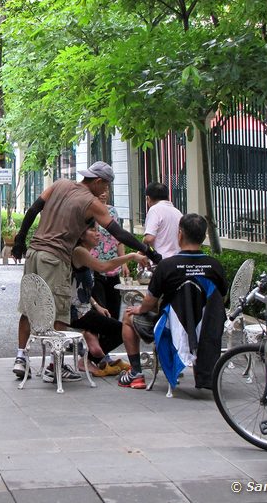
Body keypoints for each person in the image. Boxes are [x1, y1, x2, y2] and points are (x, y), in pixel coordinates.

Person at [11, 161, 161, 379]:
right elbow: (119, 233)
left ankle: (21, 357)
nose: (106, 191)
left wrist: (20, 241)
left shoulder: (60, 184)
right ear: (98, 181)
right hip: (55, 258)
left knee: (29, 305)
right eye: (106, 186)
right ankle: (55, 366)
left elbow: (34, 209)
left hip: (34, 252)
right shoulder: (91, 202)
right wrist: (149, 252)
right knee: (58, 311)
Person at [117, 213, 227, 389]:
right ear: (205, 236)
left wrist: (139, 310)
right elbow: (220, 298)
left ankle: (136, 373)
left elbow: (150, 301)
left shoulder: (167, 266)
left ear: (180, 234)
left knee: (128, 318)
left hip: (170, 331)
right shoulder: (214, 266)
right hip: (207, 330)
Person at [67, 221, 144, 380]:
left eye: (98, 230)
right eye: (92, 230)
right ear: (81, 235)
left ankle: (93, 344)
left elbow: (80, 288)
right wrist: (130, 256)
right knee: (120, 330)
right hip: (75, 313)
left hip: (85, 309)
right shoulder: (79, 252)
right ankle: (87, 359)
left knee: (109, 318)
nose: (98, 233)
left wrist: (96, 305)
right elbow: (103, 267)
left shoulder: (85, 252)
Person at [90, 185, 128, 320]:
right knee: (101, 311)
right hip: (95, 268)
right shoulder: (89, 211)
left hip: (113, 268)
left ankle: (108, 340)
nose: (103, 194)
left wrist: (124, 263)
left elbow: (119, 239)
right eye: (101, 190)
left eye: (106, 190)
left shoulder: (113, 211)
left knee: (115, 309)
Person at [142, 182, 182, 260]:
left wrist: (142, 244)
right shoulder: (177, 212)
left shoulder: (155, 210)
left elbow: (149, 238)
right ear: (168, 197)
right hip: (177, 260)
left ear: (148, 198)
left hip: (160, 261)